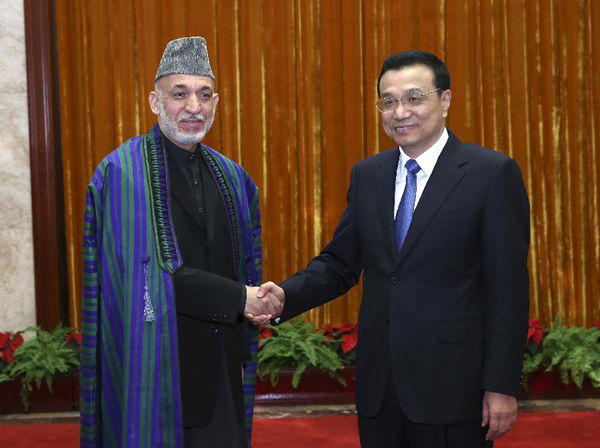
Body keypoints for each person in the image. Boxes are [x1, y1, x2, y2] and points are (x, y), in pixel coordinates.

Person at [258, 50, 530, 447]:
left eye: (414, 98)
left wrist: (502, 385)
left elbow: (509, 290)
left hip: (455, 389)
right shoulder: (368, 175)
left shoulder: (491, 173)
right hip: (380, 388)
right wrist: (283, 297)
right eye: (389, 101)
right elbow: (340, 264)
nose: (400, 111)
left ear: (446, 100)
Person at [80, 36, 282, 448]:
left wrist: (256, 301)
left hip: (221, 369)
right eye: (180, 93)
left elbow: (244, 262)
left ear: (217, 101)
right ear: (155, 101)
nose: (194, 106)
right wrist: (240, 297)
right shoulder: (122, 173)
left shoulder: (233, 177)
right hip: (153, 367)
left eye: (204, 95)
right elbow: (149, 271)